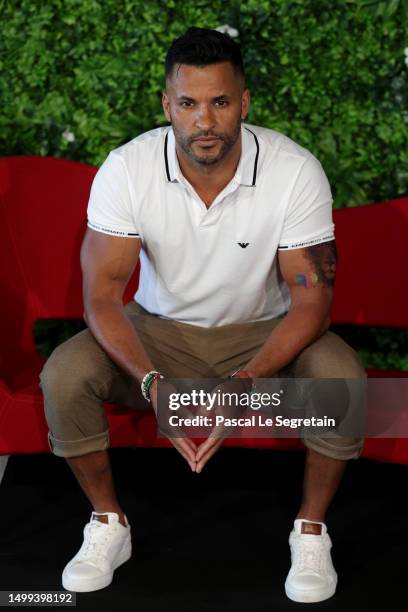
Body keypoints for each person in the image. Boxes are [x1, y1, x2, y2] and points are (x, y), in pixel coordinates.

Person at [39, 26, 366, 603]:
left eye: (219, 102)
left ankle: (311, 528)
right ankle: (108, 522)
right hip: (159, 336)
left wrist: (241, 389)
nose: (205, 121)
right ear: (168, 105)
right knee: (64, 375)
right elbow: (102, 296)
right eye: (188, 104)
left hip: (263, 337)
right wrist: (157, 386)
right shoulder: (126, 168)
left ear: (244, 102)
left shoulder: (295, 170)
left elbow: (312, 300)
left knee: (343, 380)